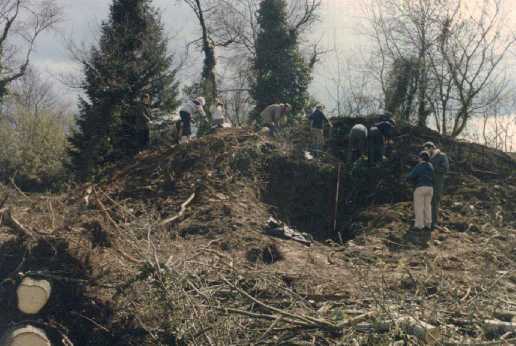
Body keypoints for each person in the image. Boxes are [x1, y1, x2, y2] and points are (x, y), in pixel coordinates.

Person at [423, 141, 450, 229]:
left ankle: (433, 223)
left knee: (434, 202)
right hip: (428, 182)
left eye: (427, 149)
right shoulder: (427, 157)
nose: (426, 151)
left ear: (432, 148)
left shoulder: (442, 156)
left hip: (437, 183)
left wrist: (432, 168)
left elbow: (445, 169)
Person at [407, 151, 434, 231]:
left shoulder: (420, 166)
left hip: (420, 187)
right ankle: (428, 224)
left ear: (421, 158)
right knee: (427, 207)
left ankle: (419, 225)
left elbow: (411, 175)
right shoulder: (430, 166)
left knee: (419, 207)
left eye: (419, 157)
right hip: (430, 188)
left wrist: (407, 178)